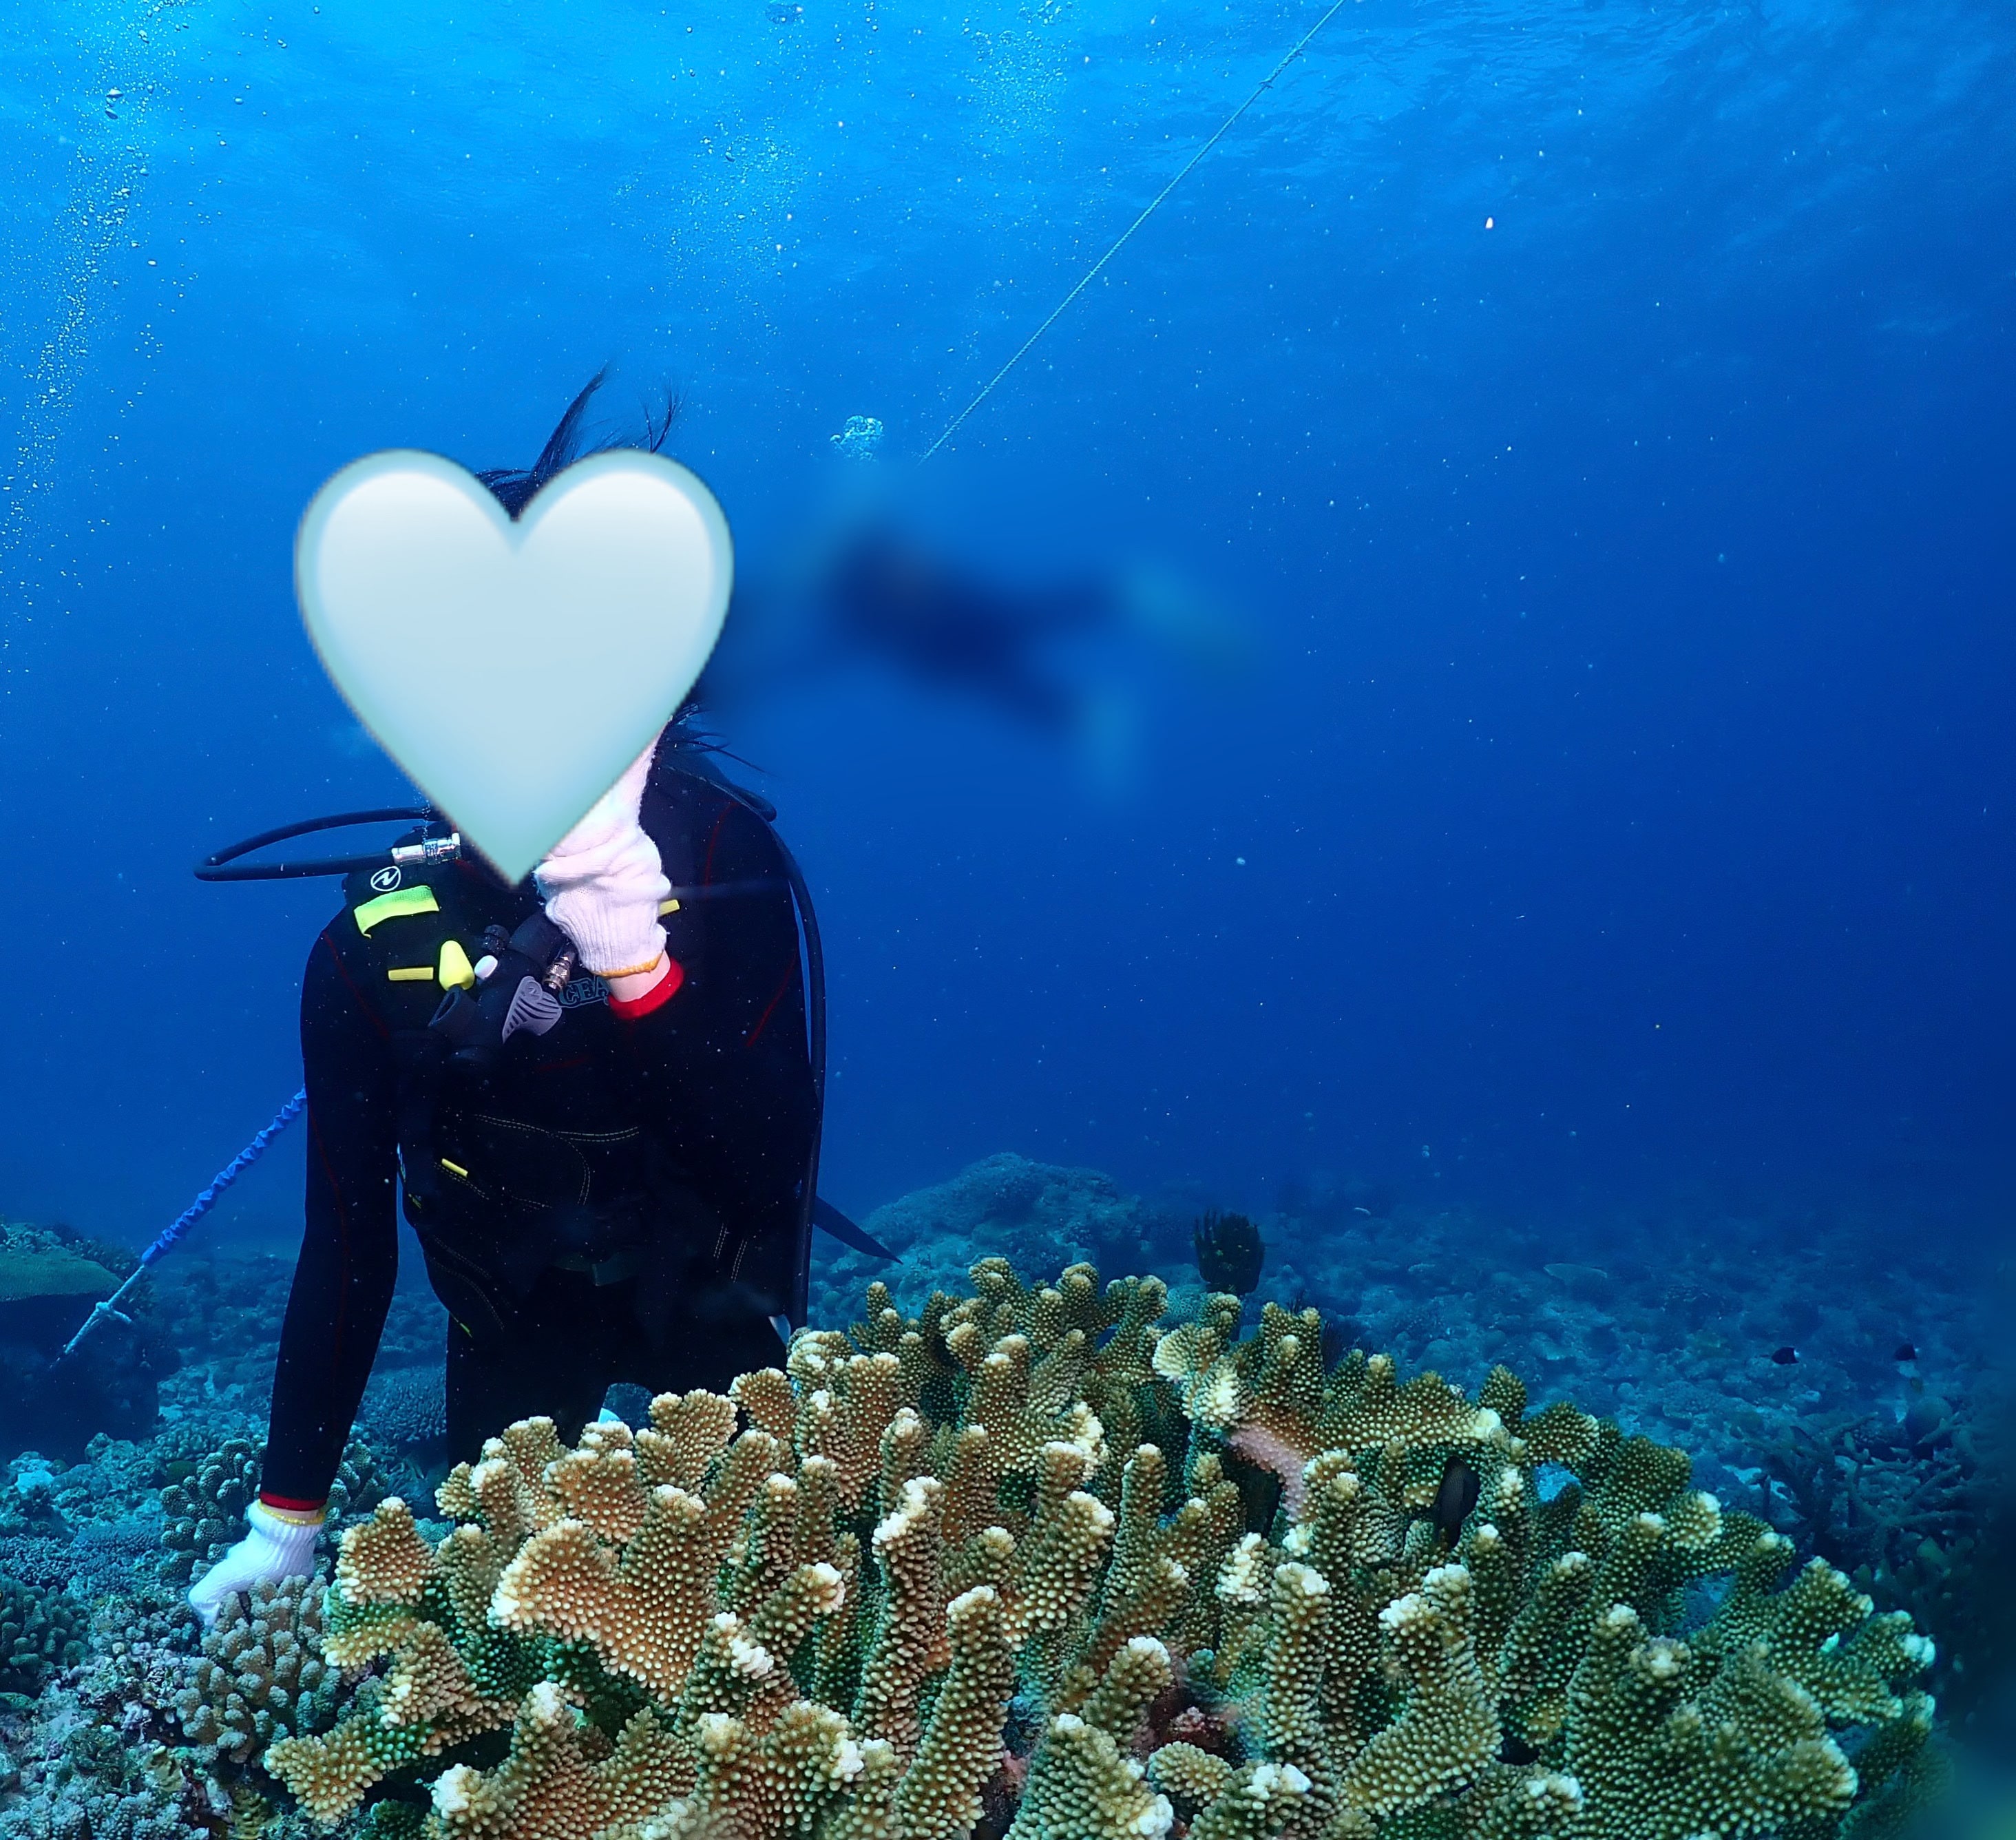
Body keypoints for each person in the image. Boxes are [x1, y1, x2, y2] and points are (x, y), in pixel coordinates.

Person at [187, 381, 818, 1621]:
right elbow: (348, 1241)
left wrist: (640, 966)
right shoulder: (368, 954)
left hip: (715, 1298)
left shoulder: (727, 874)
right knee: (507, 1629)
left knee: (783, 1604)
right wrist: (288, 1518)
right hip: (514, 1320)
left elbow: (769, 1166)